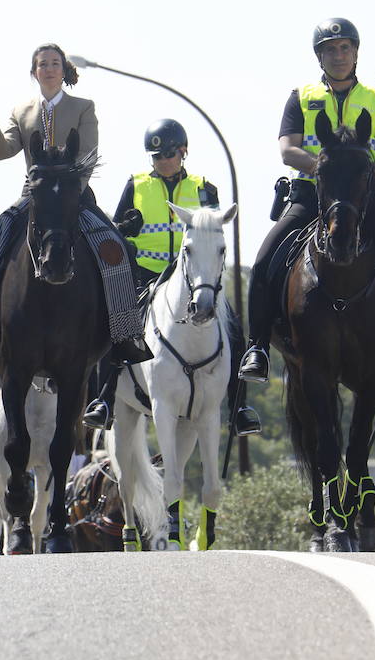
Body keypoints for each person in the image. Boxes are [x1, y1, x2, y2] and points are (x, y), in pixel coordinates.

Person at [240, 18, 375, 389]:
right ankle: (258, 348)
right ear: (320, 56)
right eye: (330, 49)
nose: (339, 55)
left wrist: (361, 180)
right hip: (312, 196)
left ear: (356, 52)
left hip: (368, 201)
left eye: (345, 47)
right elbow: (287, 148)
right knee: (265, 260)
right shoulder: (301, 96)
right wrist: (327, 172)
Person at [0, 43, 152, 368]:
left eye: (55, 63)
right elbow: (5, 149)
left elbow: (87, 155)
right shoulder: (22, 110)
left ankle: (125, 333)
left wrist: (67, 194)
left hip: (75, 197)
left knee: (118, 248)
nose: (49, 69)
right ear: (34, 71)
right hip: (33, 198)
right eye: (42, 64)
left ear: (64, 69)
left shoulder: (84, 106)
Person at [80, 119, 262, 436]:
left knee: (232, 326)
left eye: (167, 155)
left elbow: (215, 233)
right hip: (145, 273)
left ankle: (238, 408)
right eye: (156, 157)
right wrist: (125, 229)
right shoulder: (136, 185)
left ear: (183, 152)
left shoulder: (203, 187)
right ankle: (104, 400)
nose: (162, 162)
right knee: (117, 324)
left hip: (191, 277)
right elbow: (114, 237)